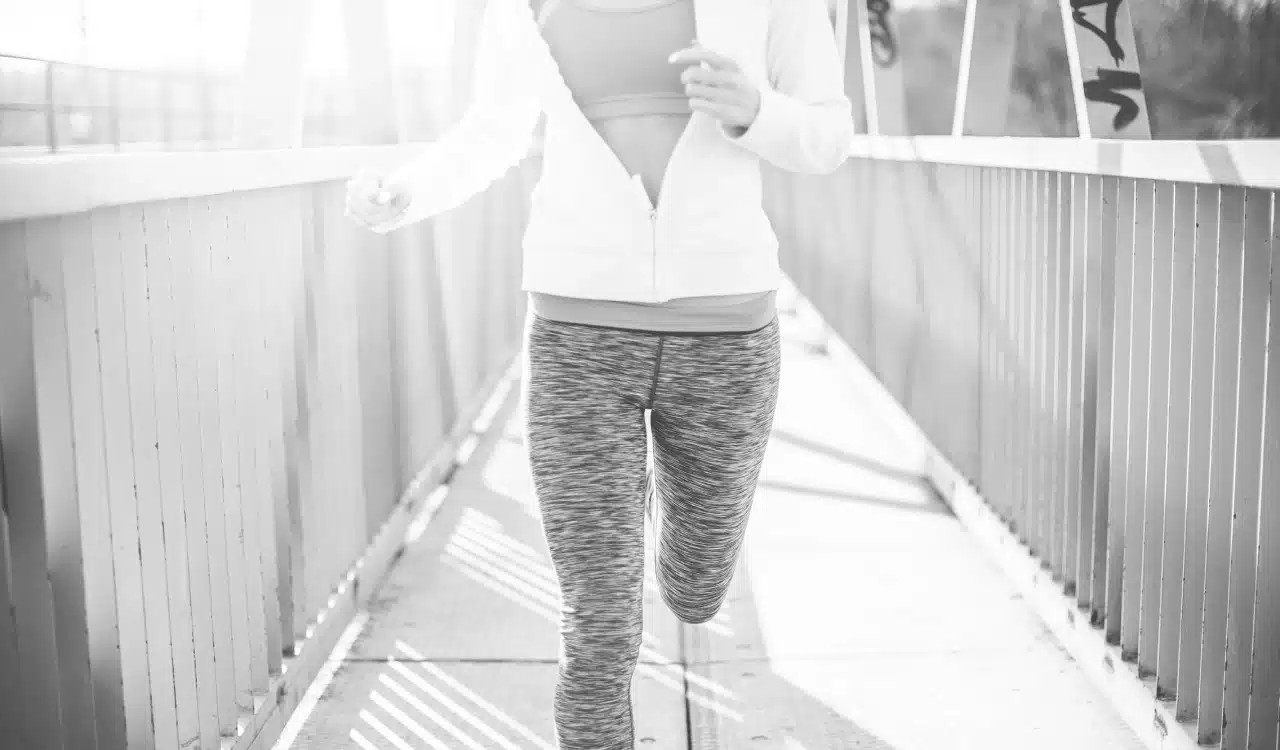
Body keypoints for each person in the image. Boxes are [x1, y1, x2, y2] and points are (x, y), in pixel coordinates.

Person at [346, 0, 853, 746]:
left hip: (724, 336)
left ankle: (677, 554)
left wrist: (757, 111)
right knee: (599, 623)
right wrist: (409, 188)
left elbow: (828, 133)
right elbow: (492, 129)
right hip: (575, 331)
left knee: (696, 586)